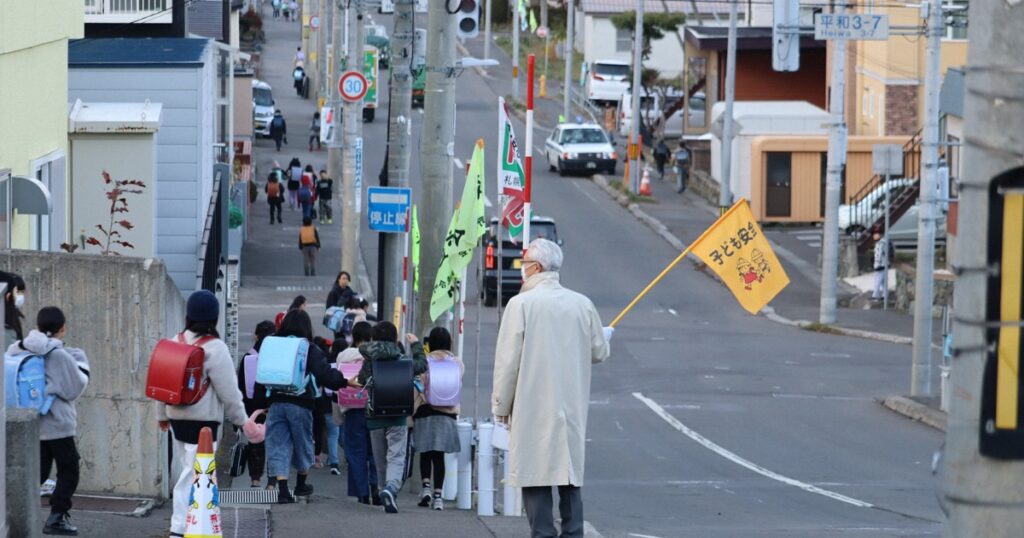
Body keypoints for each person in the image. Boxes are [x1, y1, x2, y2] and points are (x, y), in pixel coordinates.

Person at [492, 238, 612, 538]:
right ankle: (573, 532)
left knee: (535, 474)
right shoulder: (582, 304)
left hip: (532, 404)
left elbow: (508, 362)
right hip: (570, 405)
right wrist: (605, 336)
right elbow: (599, 351)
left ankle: (543, 533)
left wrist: (501, 405)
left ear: (536, 267)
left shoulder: (521, 304)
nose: (522, 269)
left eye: (525, 264)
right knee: (569, 475)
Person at [158, 290, 248, 538]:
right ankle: (180, 528)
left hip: (177, 419)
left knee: (190, 470)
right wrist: (242, 421)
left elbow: (161, 382)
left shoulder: (174, 341)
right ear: (214, 317)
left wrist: (161, 415)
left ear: (188, 315)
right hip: (204, 424)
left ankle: (195, 525)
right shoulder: (216, 348)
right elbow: (229, 393)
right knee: (195, 475)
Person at [8, 307, 90, 536]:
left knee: (38, 470)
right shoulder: (59, 355)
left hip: (30, 420)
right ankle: (56, 517)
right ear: (62, 328)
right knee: (69, 468)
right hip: (57, 422)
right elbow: (73, 389)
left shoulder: (17, 348)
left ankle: (10, 512)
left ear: (37, 326)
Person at [253, 310, 349, 503]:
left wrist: (262, 404)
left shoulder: (272, 344)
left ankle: (282, 490)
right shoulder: (308, 348)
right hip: (300, 403)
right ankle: (300, 485)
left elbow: (262, 373)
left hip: (276, 402)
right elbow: (324, 373)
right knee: (303, 443)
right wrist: (344, 381)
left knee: (278, 444)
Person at [354, 322, 428, 513]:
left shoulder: (369, 360)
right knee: (396, 456)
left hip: (375, 415)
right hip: (398, 414)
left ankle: (382, 490)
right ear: (395, 339)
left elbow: (362, 380)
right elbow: (422, 365)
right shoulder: (403, 360)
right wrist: (416, 344)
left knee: (380, 459)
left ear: (374, 339)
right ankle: (391, 488)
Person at [413, 327, 463, 511]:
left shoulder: (425, 362)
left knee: (425, 452)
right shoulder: (457, 362)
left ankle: (426, 487)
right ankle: (438, 497)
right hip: (447, 413)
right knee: (439, 456)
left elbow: (419, 384)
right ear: (449, 343)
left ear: (430, 343)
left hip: (425, 411)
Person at [335, 322, 380, 504]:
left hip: (352, 409)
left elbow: (337, 383)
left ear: (354, 337)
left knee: (355, 453)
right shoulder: (376, 354)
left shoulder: (344, 355)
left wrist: (338, 415)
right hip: (374, 408)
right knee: (376, 450)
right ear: (371, 337)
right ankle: (376, 487)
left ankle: (361, 492)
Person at [238, 320, 276, 488]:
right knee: (275, 444)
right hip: (273, 406)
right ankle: (273, 481)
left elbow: (240, 387)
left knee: (255, 443)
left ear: (256, 336)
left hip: (252, 409)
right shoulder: (277, 357)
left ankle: (255, 479)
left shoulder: (247, 358)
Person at [0, 271, 27, 344]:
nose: (20, 296)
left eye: (22, 292)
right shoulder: (6, 330)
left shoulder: (13, 318)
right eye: (16, 292)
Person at [872, 229, 895, 302]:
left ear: (880, 235)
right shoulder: (885, 242)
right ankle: (885, 296)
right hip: (885, 264)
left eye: (875, 234)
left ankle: (876, 295)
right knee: (883, 282)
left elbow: (878, 255)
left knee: (877, 281)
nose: (874, 236)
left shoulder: (880, 243)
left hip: (880, 265)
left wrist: (876, 265)